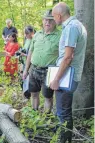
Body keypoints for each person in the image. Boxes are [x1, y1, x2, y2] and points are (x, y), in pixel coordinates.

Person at [51, 2, 87, 142]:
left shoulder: (71, 28)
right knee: (63, 111)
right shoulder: (77, 25)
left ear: (59, 15)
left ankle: (64, 140)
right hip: (68, 75)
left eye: (54, 17)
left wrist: (56, 79)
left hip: (66, 77)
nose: (54, 20)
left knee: (63, 113)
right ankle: (65, 138)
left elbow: (67, 57)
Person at [22, 9, 61, 113]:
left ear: (55, 21)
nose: (47, 22)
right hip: (33, 69)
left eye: (51, 20)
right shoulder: (37, 35)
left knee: (48, 97)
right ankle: (35, 114)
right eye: (46, 20)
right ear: (43, 21)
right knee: (34, 93)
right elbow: (30, 53)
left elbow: (65, 56)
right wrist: (26, 70)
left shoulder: (60, 36)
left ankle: (46, 118)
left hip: (49, 72)